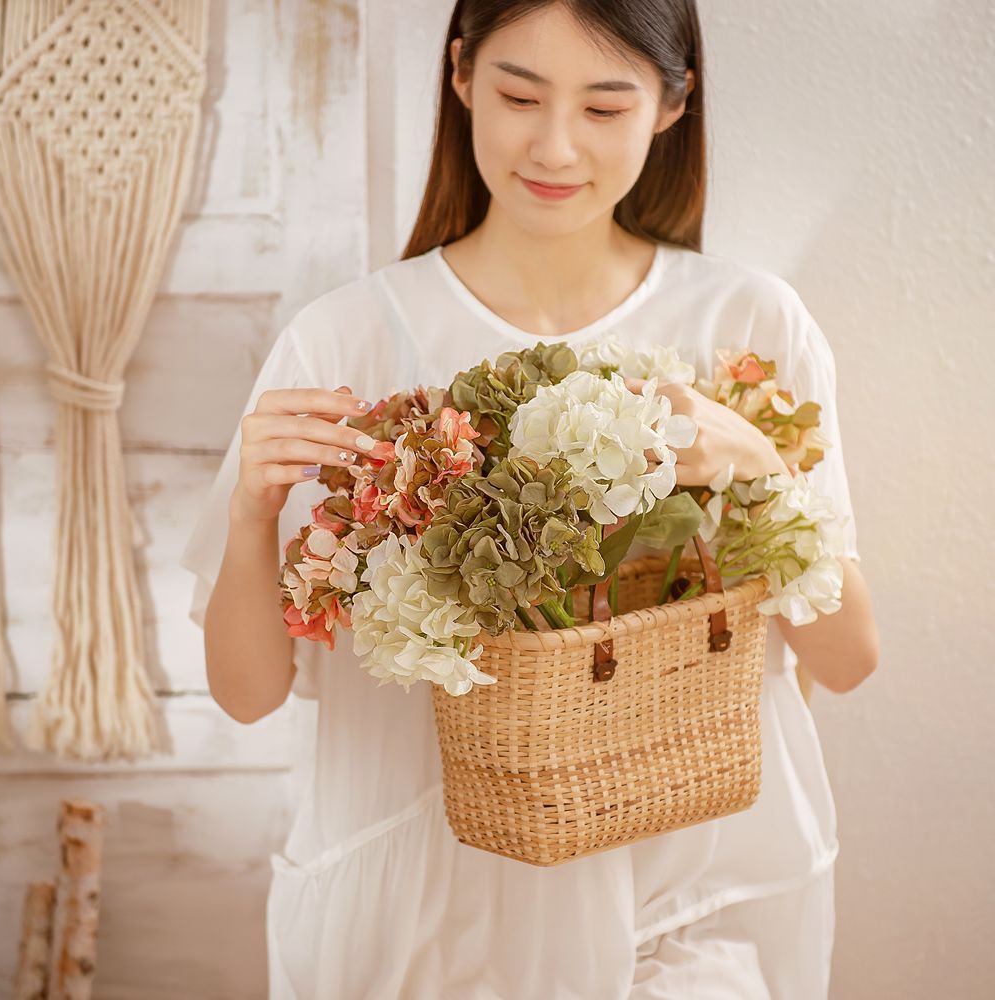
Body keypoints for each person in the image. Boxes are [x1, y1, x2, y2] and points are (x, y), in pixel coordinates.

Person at [179, 1, 879, 996]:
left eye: (605, 107)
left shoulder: (746, 323)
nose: (554, 146)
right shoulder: (345, 339)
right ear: (459, 75)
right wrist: (253, 511)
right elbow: (247, 694)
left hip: (680, 911)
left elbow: (846, 659)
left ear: (673, 106)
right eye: (518, 95)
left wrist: (758, 466)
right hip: (427, 921)